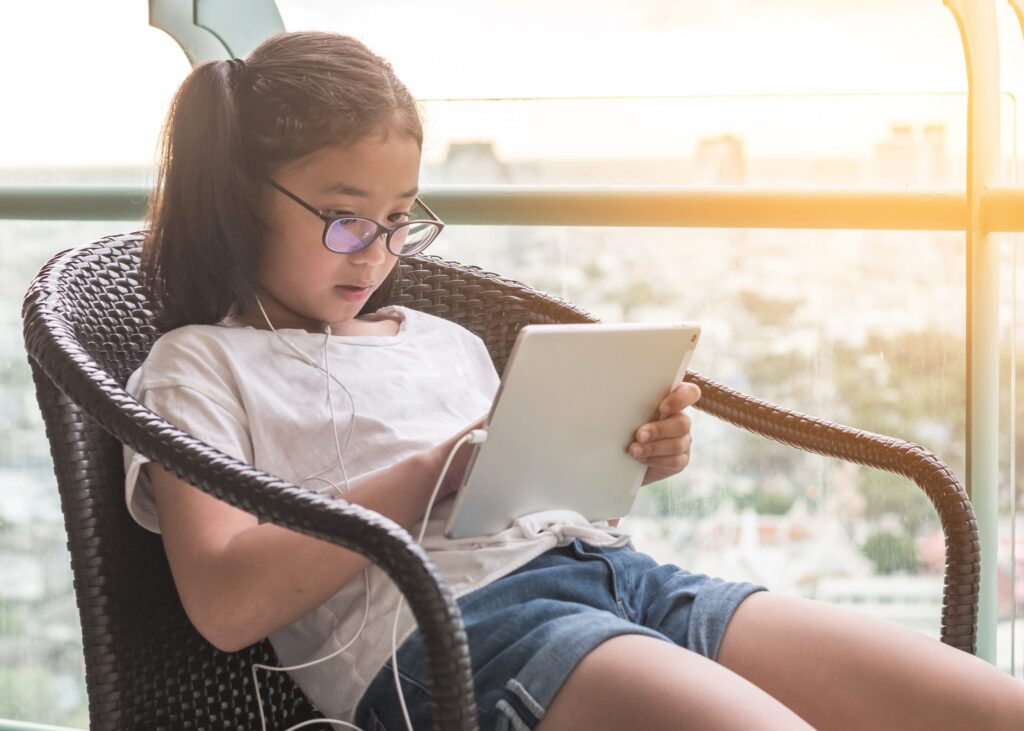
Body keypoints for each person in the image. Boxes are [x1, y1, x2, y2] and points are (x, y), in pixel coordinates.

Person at [122, 30, 1024, 731]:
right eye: (347, 220)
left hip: (617, 578)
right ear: (245, 197)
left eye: (401, 219)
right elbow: (227, 603)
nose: (381, 252)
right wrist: (435, 470)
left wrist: (623, 453)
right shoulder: (199, 364)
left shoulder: (440, 337)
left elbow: (514, 505)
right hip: (455, 637)